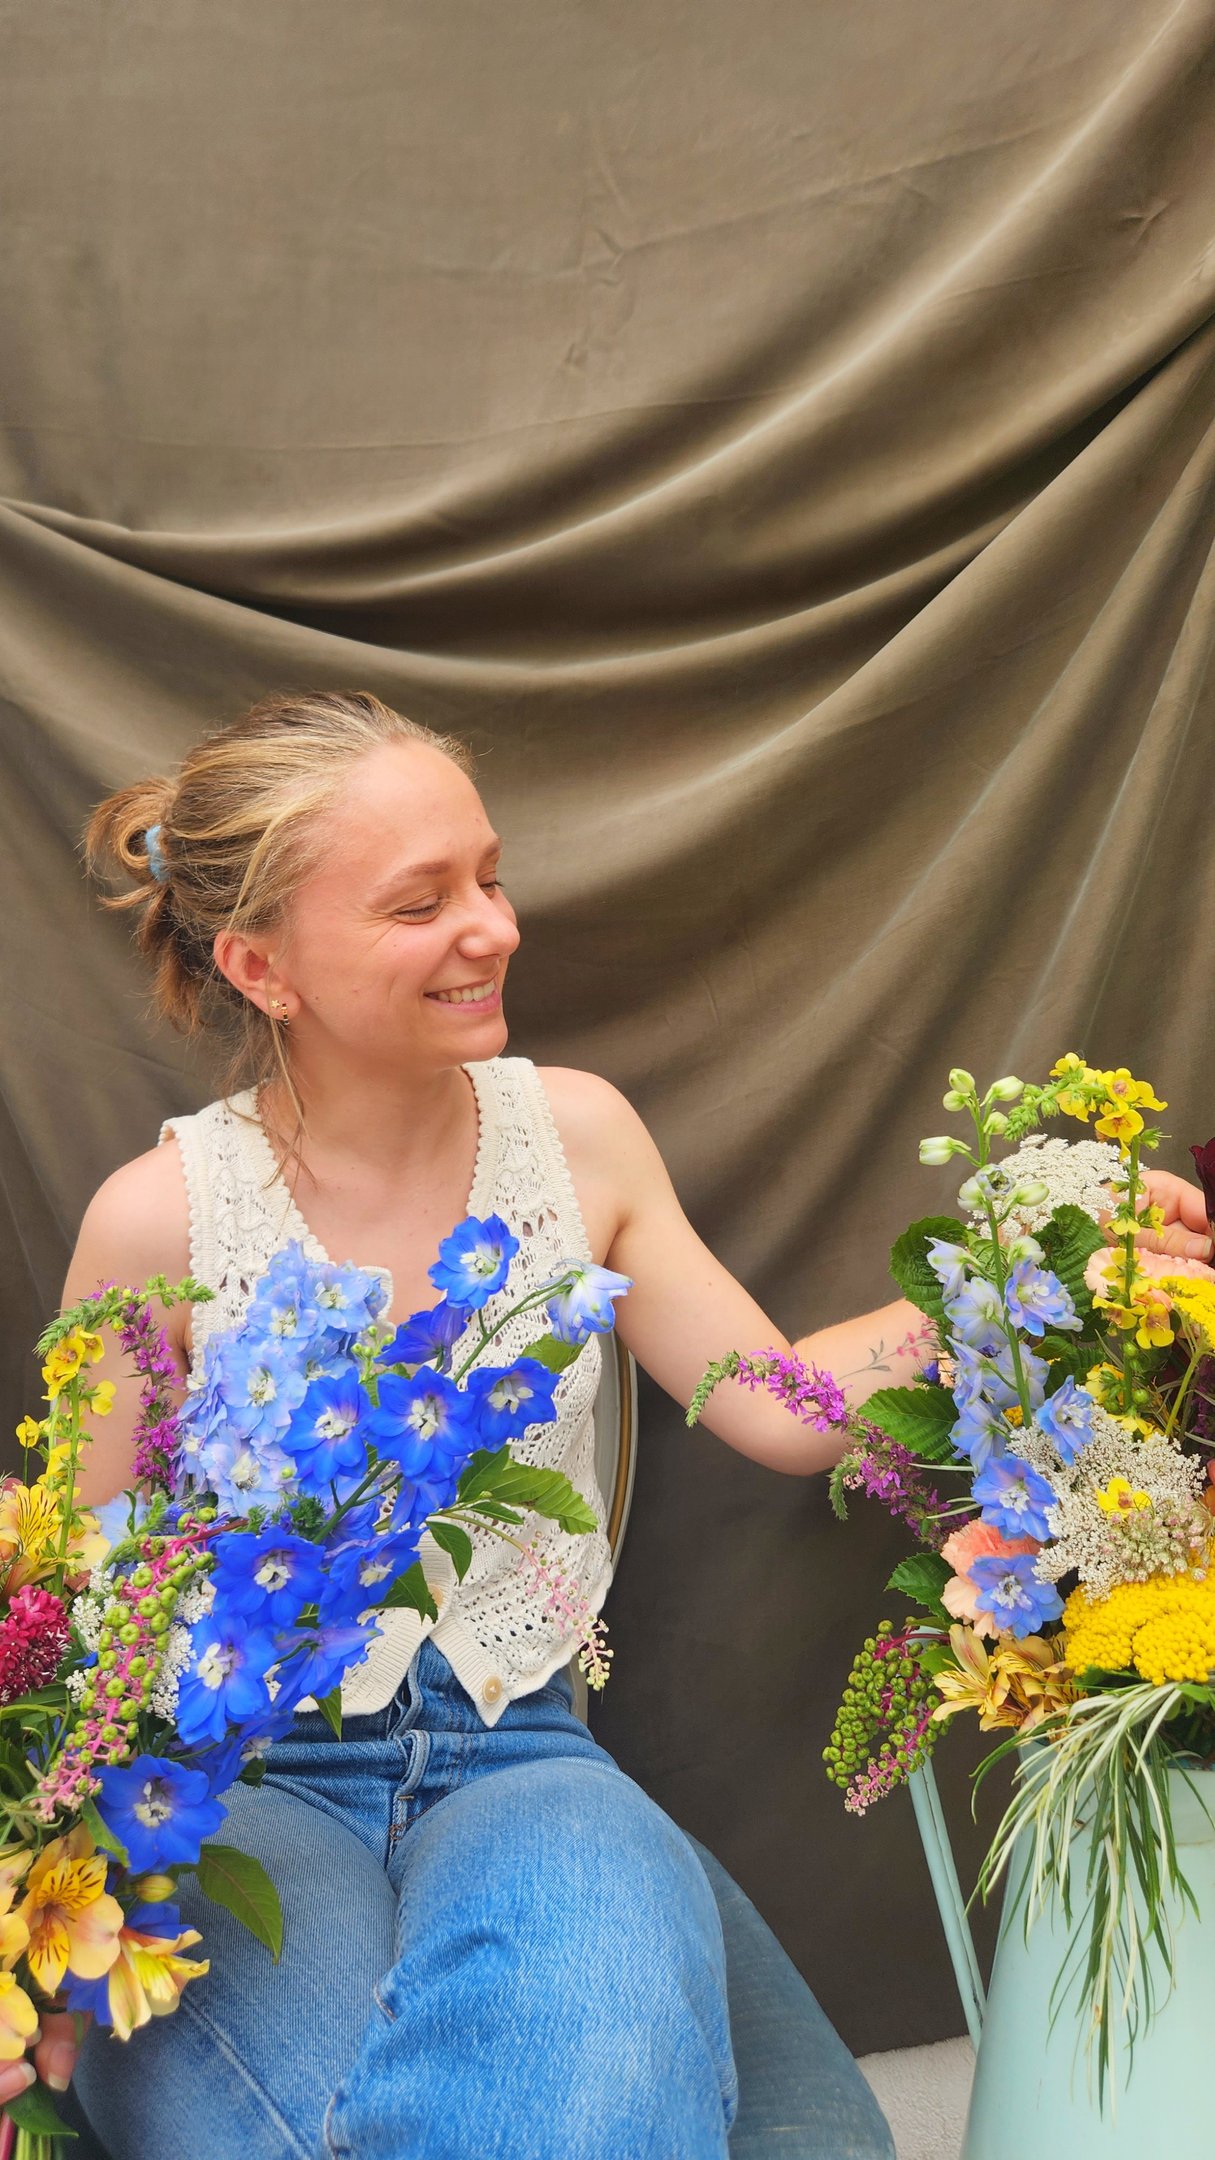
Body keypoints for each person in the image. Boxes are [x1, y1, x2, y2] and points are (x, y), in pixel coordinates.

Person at [12, 690, 935, 2157]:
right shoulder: (159, 1220)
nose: (493, 927)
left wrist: (1007, 1265)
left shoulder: (576, 1139)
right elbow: (55, 1605)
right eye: (419, 901)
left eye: (490, 876)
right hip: (235, 1785)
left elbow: (778, 1407)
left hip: (526, 1755)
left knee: (595, 2064)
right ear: (262, 966)